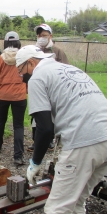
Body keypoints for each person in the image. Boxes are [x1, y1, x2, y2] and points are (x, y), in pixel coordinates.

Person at [15, 45, 107, 214]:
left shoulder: (38, 77)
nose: (22, 77)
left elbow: (44, 128)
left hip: (84, 142)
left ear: (30, 62)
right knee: (77, 199)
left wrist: (35, 163)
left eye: (21, 71)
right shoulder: (69, 68)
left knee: (58, 207)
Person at [28, 24, 69, 152]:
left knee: (52, 115)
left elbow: (66, 69)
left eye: (44, 35)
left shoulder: (57, 51)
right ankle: (36, 141)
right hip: (38, 87)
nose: (41, 38)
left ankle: (50, 140)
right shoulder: (34, 51)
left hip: (54, 89)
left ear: (50, 36)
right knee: (37, 115)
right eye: (39, 35)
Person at [0, 31, 27, 165]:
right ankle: (18, 156)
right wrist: (25, 90)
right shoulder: (24, 58)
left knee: (1, 120)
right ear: (18, 43)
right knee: (18, 125)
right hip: (19, 95)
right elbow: (29, 76)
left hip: (2, 95)